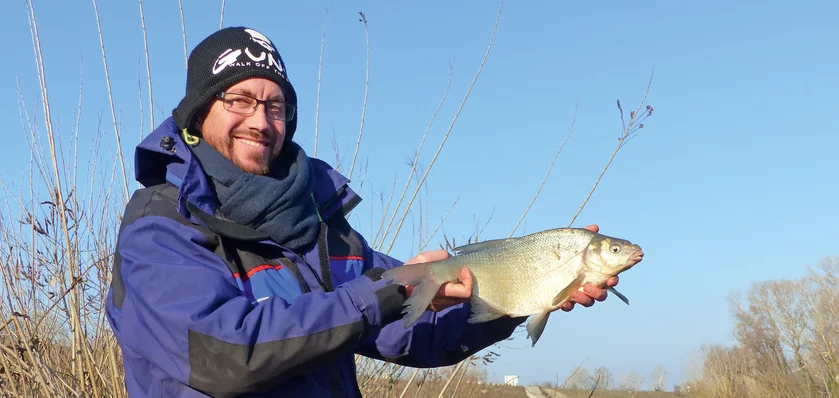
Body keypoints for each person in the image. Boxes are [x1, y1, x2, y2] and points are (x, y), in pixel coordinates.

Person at [106, 26, 617, 397]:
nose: (261, 121)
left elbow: (410, 330)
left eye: (276, 105)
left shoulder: (319, 227)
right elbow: (224, 353)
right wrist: (382, 293)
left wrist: (521, 294)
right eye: (239, 100)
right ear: (200, 111)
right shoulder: (161, 226)